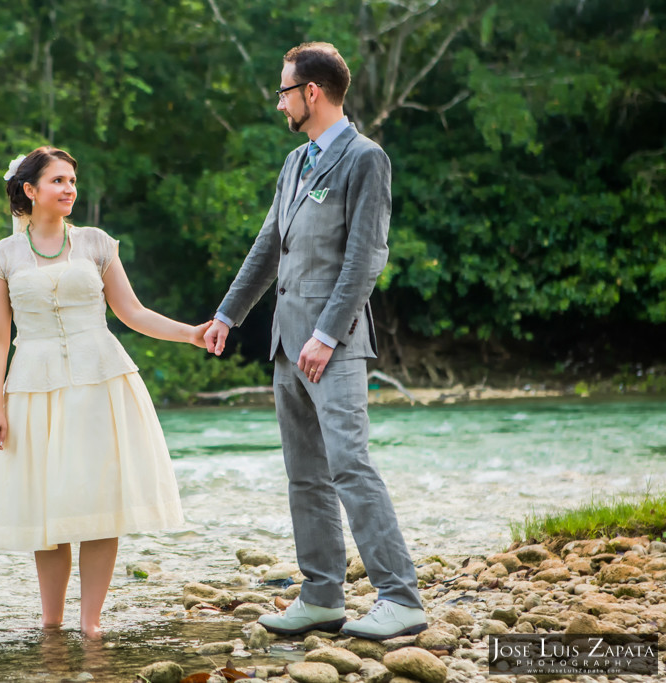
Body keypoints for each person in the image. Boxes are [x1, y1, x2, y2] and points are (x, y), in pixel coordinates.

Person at [203, 42, 427, 640]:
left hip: (336, 345)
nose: (278, 103)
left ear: (312, 92)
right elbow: (266, 248)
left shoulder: (364, 159)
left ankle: (400, 597)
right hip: (285, 343)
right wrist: (228, 314)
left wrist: (328, 334)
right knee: (304, 475)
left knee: (350, 466)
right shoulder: (293, 163)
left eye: (283, 91)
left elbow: (366, 257)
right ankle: (323, 596)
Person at [0, 146, 210, 639]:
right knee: (47, 506)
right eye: (58, 180)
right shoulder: (1, 257)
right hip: (33, 387)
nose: (69, 189)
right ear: (30, 190)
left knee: (101, 500)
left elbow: (132, 313)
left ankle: (92, 622)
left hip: (102, 379)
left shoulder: (96, 243)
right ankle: (50, 622)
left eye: (71, 181)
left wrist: (190, 332)